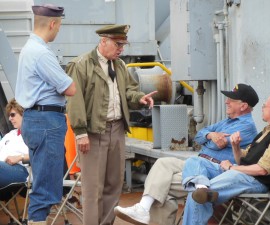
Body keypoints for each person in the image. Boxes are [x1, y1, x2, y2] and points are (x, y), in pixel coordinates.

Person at [114, 83, 259, 225]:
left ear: (243, 106)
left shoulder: (247, 126)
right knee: (162, 163)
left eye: (231, 100)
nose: (226, 101)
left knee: (161, 185)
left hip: (213, 171)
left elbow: (218, 143)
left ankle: (144, 209)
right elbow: (199, 135)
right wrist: (210, 136)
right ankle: (142, 208)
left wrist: (211, 138)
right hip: (197, 164)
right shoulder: (226, 122)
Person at [65, 24, 157, 225]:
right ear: (103, 41)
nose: (121, 49)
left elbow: (129, 91)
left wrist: (139, 98)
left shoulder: (120, 66)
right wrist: (80, 133)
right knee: (92, 189)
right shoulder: (81, 65)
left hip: (116, 129)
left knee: (114, 185)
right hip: (93, 132)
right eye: (118, 44)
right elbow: (75, 100)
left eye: (123, 44)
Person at [181, 93, 270, 225]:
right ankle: (201, 185)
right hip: (241, 173)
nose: (262, 108)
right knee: (194, 161)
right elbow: (242, 158)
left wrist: (232, 167)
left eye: (264, 106)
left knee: (198, 196)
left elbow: (263, 170)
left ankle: (202, 190)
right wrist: (236, 146)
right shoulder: (266, 131)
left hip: (255, 180)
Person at [15, 4, 76, 225]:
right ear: (52, 24)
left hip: (36, 119)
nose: (58, 30)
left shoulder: (28, 48)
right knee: (47, 186)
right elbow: (70, 88)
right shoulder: (41, 53)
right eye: (58, 26)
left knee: (42, 179)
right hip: (47, 121)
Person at [0, 98, 29, 189]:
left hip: (21, 170)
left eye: (13, 115)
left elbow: (41, 154)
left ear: (24, 113)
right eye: (9, 115)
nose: (10, 118)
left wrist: (20, 157)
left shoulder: (34, 134)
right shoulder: (10, 135)